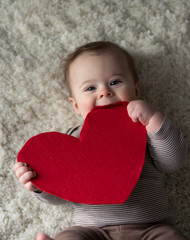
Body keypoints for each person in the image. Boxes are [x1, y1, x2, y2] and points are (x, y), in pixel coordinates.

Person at [14, 41, 189, 240]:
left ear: (136, 89)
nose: (104, 92)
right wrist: (38, 183)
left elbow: (173, 162)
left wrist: (155, 122)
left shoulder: (143, 127)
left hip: (151, 228)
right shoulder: (71, 140)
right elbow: (63, 191)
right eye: (90, 88)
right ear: (76, 105)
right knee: (72, 237)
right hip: (93, 232)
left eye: (115, 82)